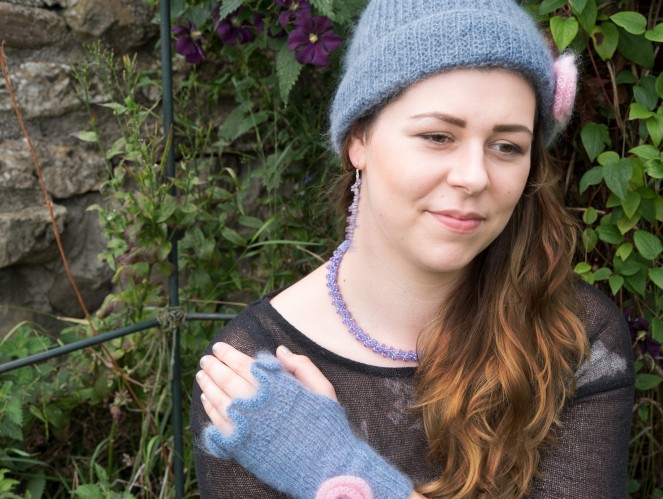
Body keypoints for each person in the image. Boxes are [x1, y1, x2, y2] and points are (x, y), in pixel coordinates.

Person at [190, 0, 635, 497]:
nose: (473, 177)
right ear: (360, 138)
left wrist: (332, 468)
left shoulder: (574, 338)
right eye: (438, 136)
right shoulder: (257, 376)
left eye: (507, 146)